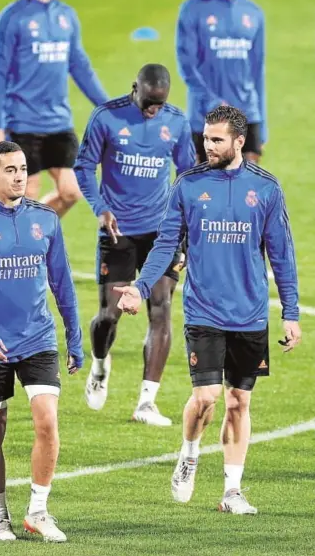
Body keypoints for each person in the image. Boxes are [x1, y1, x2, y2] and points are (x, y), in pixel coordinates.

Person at [115, 105, 301, 513]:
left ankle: (232, 491)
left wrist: (290, 312)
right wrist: (141, 288)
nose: (208, 145)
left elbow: (282, 255)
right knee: (207, 397)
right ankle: (189, 453)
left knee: (239, 401)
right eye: (205, 138)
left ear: (239, 142)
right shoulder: (187, 185)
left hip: (250, 313)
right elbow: (166, 243)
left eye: (216, 140)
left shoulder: (266, 189)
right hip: (204, 311)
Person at [0, 141, 84, 542]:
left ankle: (38, 511)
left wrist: (75, 336)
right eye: (9, 169)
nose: (18, 176)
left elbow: (62, 282)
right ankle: (0, 517)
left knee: (47, 420)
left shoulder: (46, 220)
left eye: (23, 169)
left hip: (38, 338)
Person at [74, 64, 196, 426]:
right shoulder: (106, 118)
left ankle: (146, 402)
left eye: (159, 105)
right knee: (108, 316)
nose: (152, 111)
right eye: (147, 104)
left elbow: (187, 174)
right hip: (117, 231)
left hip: (162, 231)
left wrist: (185, 229)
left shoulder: (176, 123)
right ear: (134, 89)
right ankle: (99, 365)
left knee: (161, 307)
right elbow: (84, 168)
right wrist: (100, 209)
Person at [0, 0, 109, 217]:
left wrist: (108, 106)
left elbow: (80, 67)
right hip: (22, 122)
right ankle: (15, 252)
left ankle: (34, 238)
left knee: (71, 192)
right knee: (25, 194)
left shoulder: (67, 16)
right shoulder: (11, 19)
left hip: (58, 123)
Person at [176, 0, 266, 164]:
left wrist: (262, 124)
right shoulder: (192, 9)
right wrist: (212, 103)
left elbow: (257, 71)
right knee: (204, 187)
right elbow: (186, 64)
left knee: (247, 185)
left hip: (247, 113)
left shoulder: (253, 13)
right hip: (205, 115)